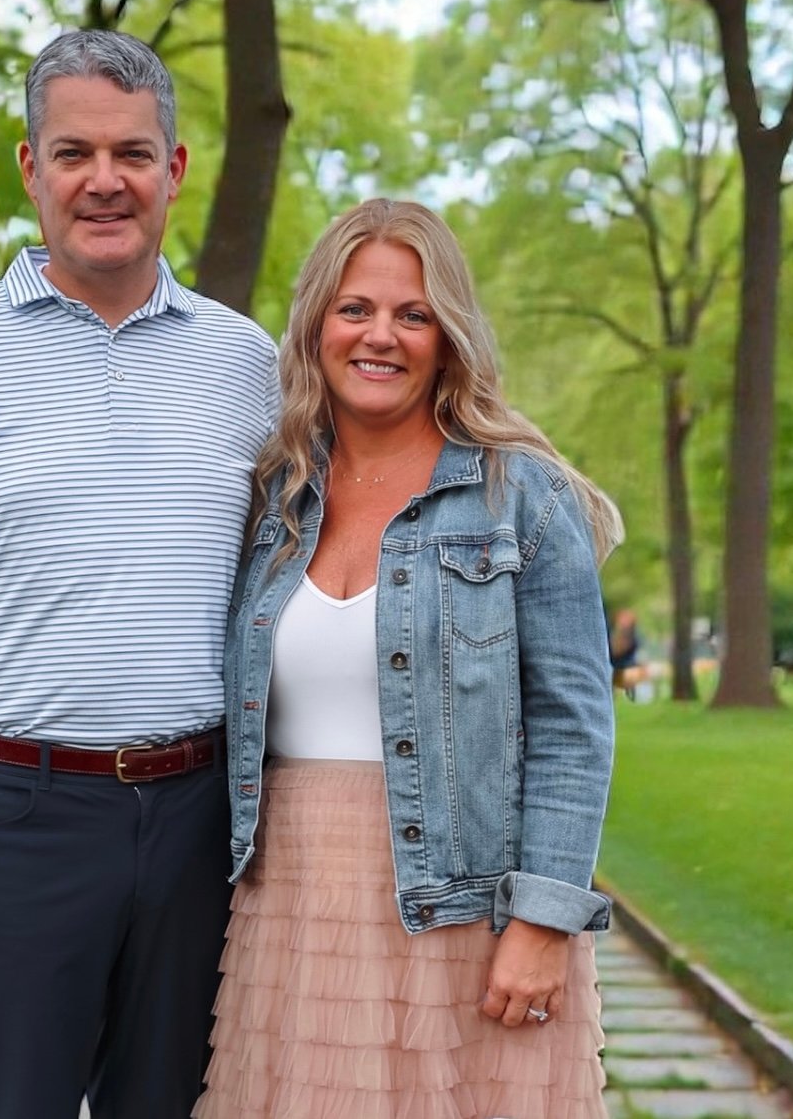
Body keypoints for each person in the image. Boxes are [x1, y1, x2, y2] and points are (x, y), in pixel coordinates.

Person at [0, 30, 277, 1119]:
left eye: (132, 153)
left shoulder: (249, 364)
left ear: (173, 170)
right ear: (31, 168)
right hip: (20, 810)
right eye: (74, 152)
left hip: (202, 818)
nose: (104, 181)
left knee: (174, 1103)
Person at [194, 199, 620, 1119]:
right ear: (316, 326)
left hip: (464, 910)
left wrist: (545, 921)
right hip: (291, 910)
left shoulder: (521, 497)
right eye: (355, 309)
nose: (379, 335)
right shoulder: (273, 498)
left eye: (412, 314)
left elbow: (574, 728)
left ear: (448, 336)